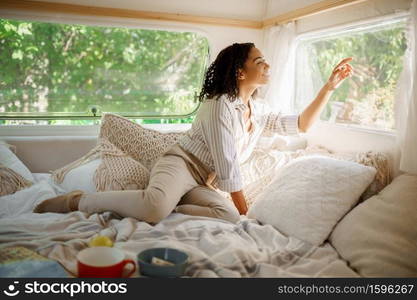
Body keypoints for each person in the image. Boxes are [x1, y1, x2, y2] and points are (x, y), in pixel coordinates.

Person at [34, 42, 352, 223]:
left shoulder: (259, 107)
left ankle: (171, 204)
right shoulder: (219, 106)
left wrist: (329, 87)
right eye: (260, 61)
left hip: (202, 180)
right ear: (241, 72)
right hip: (180, 165)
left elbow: (301, 125)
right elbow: (228, 165)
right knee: (154, 209)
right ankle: (78, 201)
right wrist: (248, 214)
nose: (267, 65)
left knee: (226, 216)